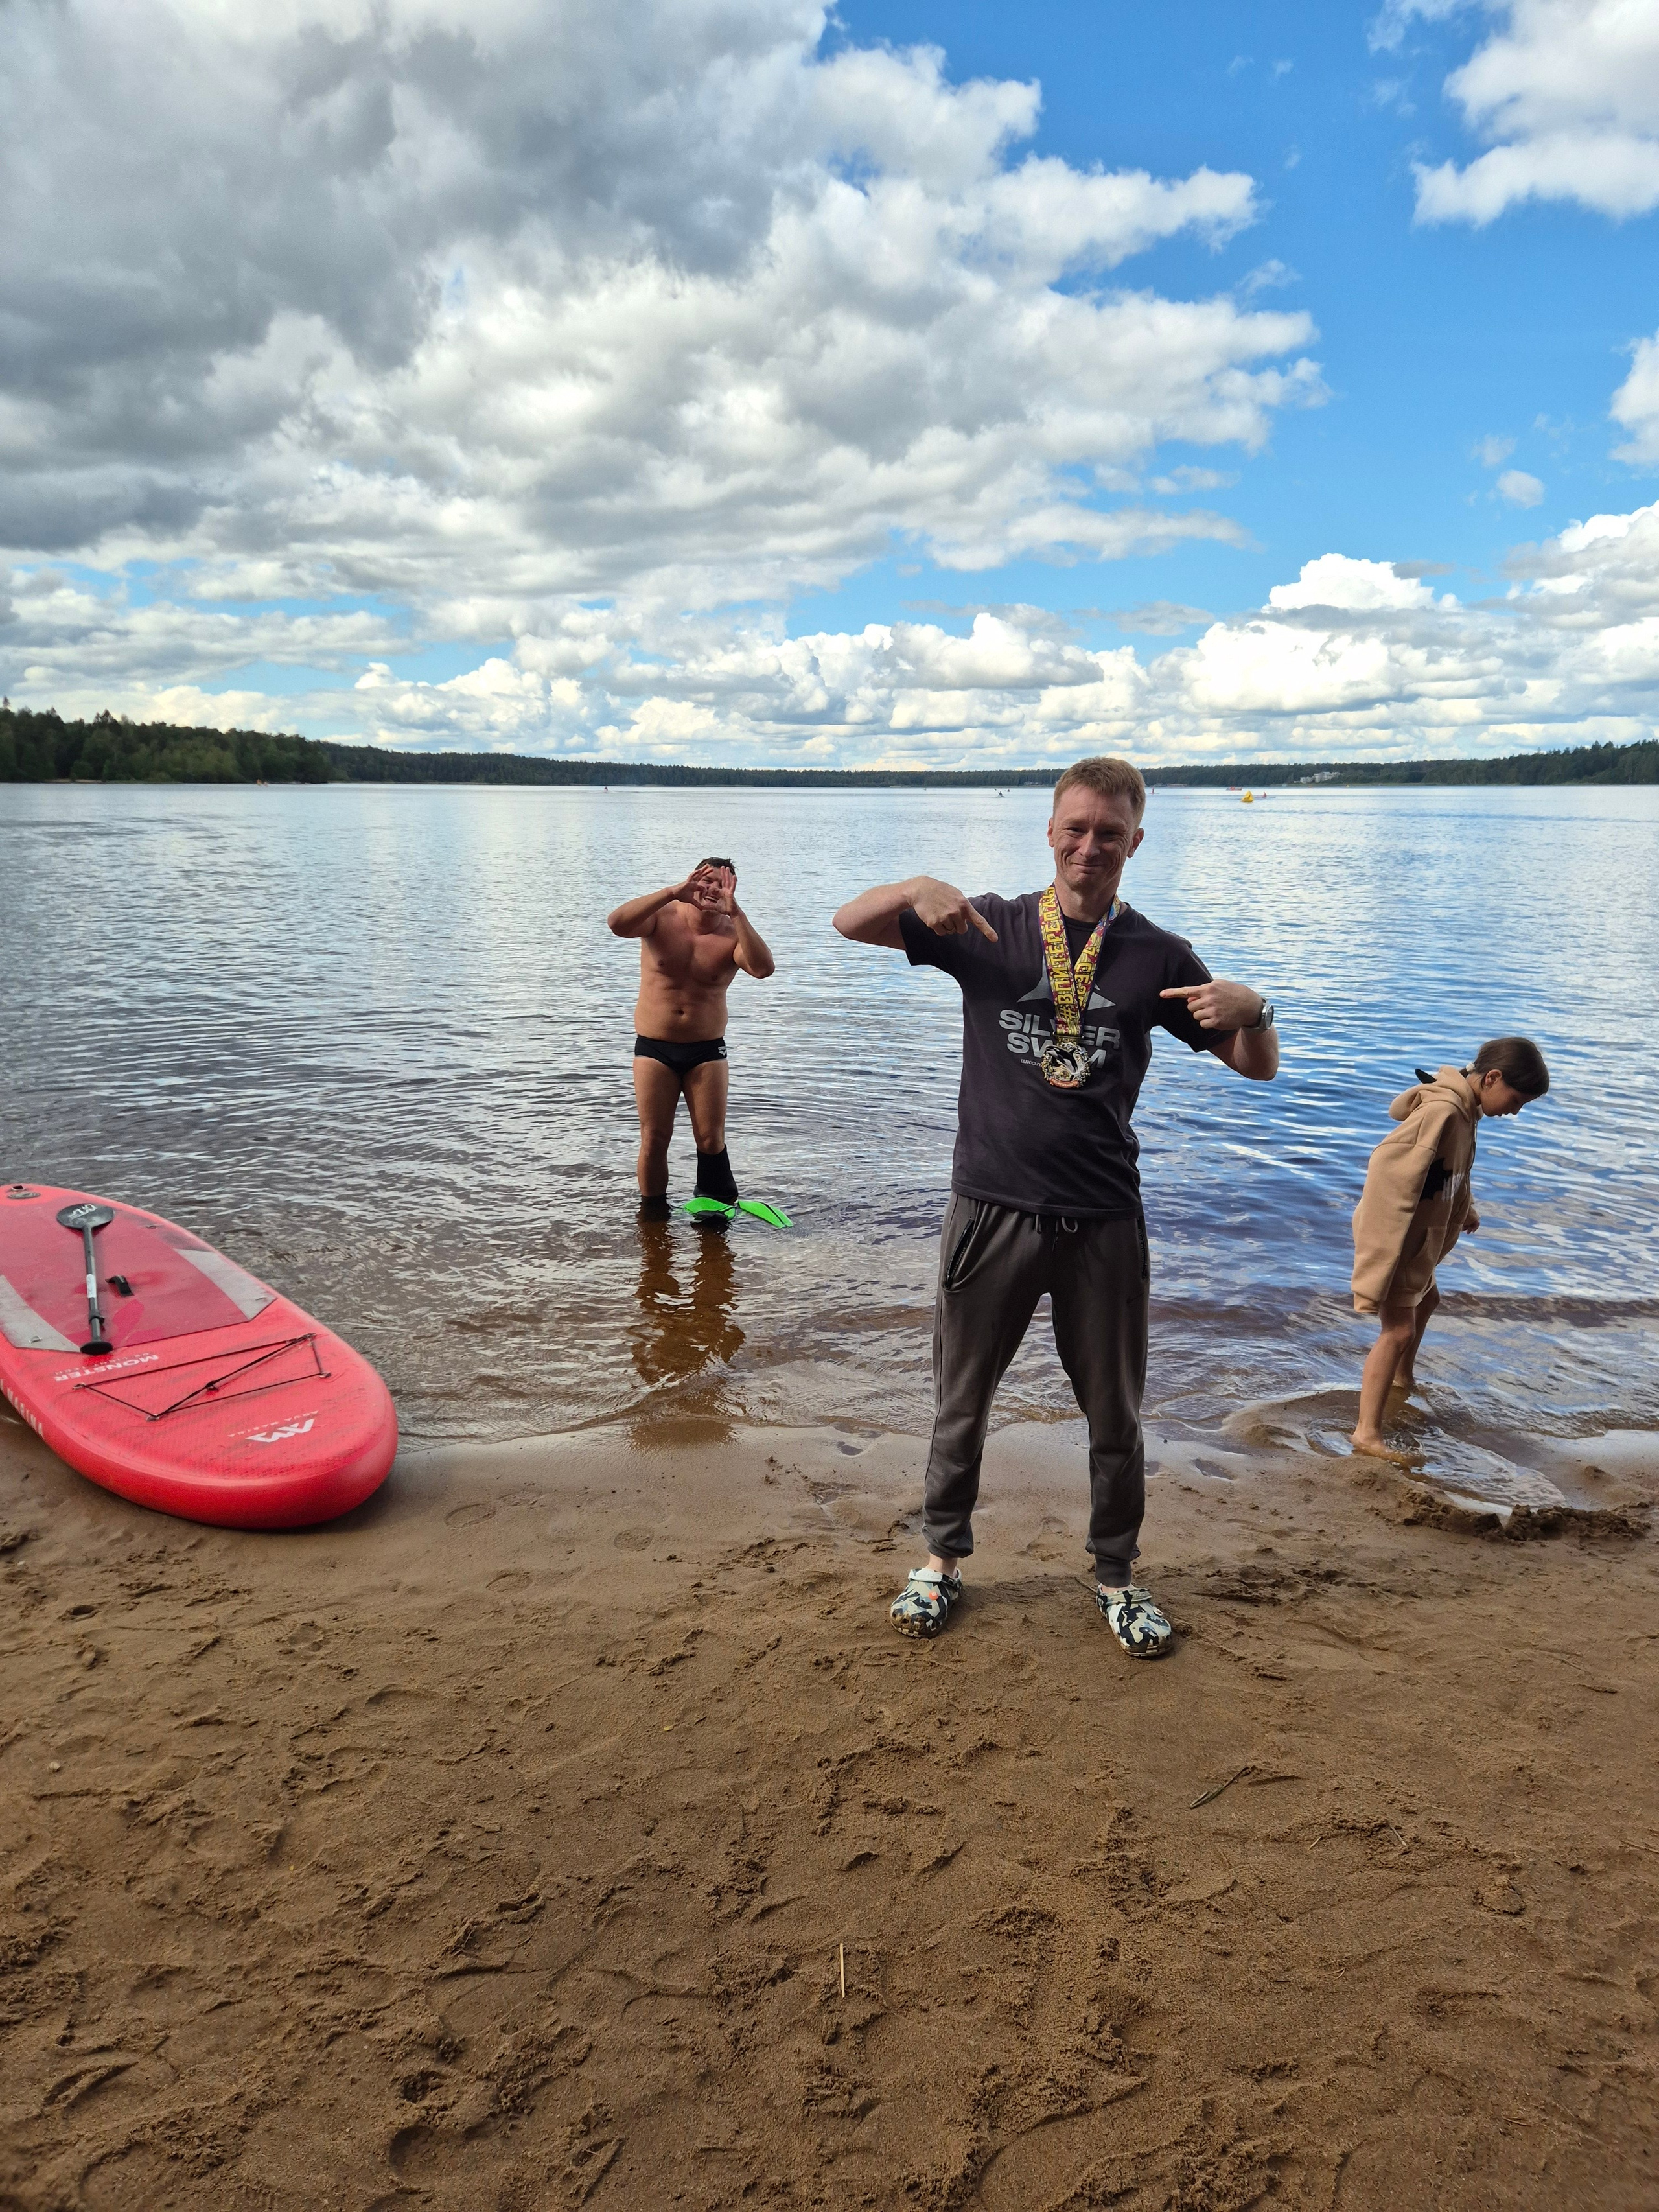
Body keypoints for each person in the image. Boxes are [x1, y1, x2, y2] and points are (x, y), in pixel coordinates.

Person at [831, 756, 1279, 1658]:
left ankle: (1116, 1575)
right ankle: (940, 1562)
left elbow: (1255, 1066)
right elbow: (848, 922)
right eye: (1075, 828)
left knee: (1116, 1415)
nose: (1089, 846)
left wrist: (1258, 1008)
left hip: (1104, 1217)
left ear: (1135, 841)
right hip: (990, 1208)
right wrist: (914, 887)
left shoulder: (1157, 953)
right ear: (1050, 832)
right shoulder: (986, 925)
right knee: (961, 1401)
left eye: (1109, 832)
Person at [1349, 1038, 1549, 1458]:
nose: (1515, 1111)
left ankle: (1402, 1379)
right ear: (1492, 1078)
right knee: (1398, 1330)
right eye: (1516, 1100)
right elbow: (1387, 1168)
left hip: (1420, 1240)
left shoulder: (1466, 1112)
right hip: (1400, 1241)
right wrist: (1381, 1255)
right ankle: (1366, 1434)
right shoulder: (1443, 1112)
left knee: (1429, 1299)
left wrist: (1465, 1206)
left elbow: (1451, 1170)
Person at [607, 859, 776, 1213]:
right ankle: (653, 1218)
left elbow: (762, 969)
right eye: (705, 880)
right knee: (654, 1138)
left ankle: (715, 1212)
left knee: (711, 1139)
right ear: (692, 880)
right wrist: (672, 892)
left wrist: (737, 913)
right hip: (654, 1048)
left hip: (707, 1051)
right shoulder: (661, 917)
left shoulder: (732, 933)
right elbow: (617, 924)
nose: (712, 889)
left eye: (722, 884)